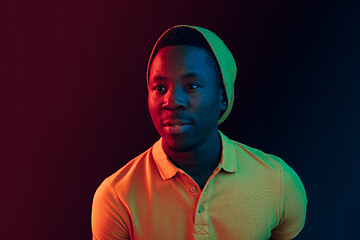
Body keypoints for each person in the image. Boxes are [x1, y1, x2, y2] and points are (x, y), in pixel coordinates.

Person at [91, 25, 307, 240]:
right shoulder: (117, 197)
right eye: (159, 87)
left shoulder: (279, 182)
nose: (172, 102)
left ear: (223, 97)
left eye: (191, 86)